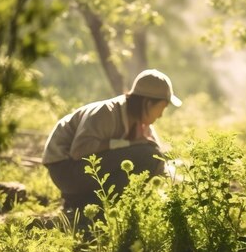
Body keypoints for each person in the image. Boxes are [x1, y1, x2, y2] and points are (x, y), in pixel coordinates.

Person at [42, 69, 181, 210]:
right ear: (148, 103)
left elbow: (159, 161)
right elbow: (79, 151)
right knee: (147, 153)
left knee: (150, 153)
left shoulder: (142, 124)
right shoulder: (106, 112)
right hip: (65, 169)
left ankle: (88, 202)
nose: (161, 115)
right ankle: (94, 202)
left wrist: (185, 184)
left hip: (82, 171)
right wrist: (128, 144)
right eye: (162, 107)